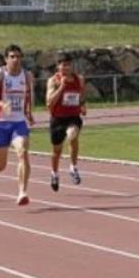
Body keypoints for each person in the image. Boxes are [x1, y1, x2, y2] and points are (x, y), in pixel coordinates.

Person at [0, 44, 35, 206]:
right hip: (1, 123)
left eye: (18, 57)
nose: (16, 60)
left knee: (22, 152)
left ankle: (22, 191)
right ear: (6, 59)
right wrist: (0, 104)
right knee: (0, 166)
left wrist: (29, 113)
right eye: (12, 57)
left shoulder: (27, 76)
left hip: (19, 122)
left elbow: (28, 96)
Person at [46, 53, 86, 192]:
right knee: (57, 151)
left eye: (68, 65)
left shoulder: (79, 79)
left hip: (73, 116)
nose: (66, 68)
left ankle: (73, 167)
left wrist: (83, 105)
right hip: (57, 119)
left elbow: (80, 95)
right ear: (58, 66)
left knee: (73, 134)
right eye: (63, 65)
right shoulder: (53, 81)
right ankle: (54, 174)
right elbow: (49, 103)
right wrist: (61, 88)